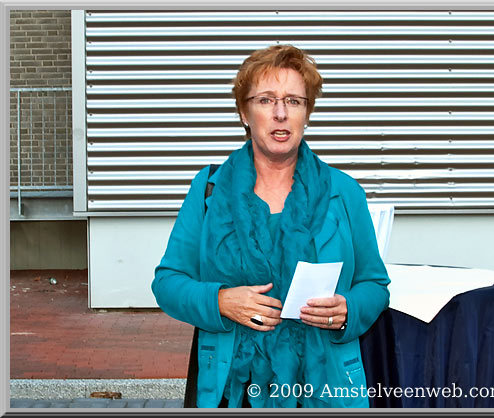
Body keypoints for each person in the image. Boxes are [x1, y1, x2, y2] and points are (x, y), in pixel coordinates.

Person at [151, 44, 390, 408]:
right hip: (233, 387)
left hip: (323, 385)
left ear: (306, 112)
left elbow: (374, 284)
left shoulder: (344, 193)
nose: (280, 114)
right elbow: (168, 282)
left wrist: (348, 310)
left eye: (294, 101)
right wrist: (219, 301)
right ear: (245, 113)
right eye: (265, 100)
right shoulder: (209, 190)